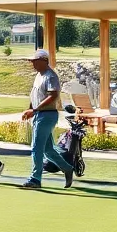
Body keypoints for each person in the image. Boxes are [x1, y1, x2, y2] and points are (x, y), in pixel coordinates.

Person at [20, 48, 74, 189]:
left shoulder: (50, 76)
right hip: (40, 115)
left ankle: (35, 179)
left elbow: (53, 95)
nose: (33, 64)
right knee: (48, 149)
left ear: (44, 61)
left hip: (47, 115)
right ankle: (67, 168)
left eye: (35, 61)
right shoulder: (39, 75)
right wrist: (30, 109)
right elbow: (35, 96)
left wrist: (35, 109)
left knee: (36, 148)